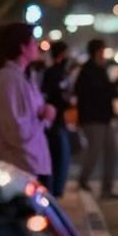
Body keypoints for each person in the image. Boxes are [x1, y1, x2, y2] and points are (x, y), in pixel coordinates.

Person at [0, 23, 56, 188]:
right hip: (20, 169)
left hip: (32, 164)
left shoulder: (24, 77)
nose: (36, 47)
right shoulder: (9, 80)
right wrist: (44, 117)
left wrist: (44, 116)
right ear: (23, 48)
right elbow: (16, 131)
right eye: (33, 42)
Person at [75, 39, 118, 200]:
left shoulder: (99, 69)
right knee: (94, 151)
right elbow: (100, 92)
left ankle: (107, 188)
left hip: (103, 118)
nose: (104, 54)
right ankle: (83, 180)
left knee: (111, 151)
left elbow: (106, 90)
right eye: (102, 51)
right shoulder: (89, 70)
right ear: (97, 52)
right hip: (93, 118)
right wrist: (115, 86)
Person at [41, 42, 75, 196]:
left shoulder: (54, 72)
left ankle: (55, 189)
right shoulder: (56, 73)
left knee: (59, 156)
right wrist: (68, 102)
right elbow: (58, 95)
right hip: (55, 121)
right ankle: (56, 190)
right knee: (60, 157)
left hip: (56, 120)